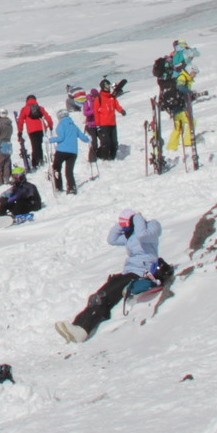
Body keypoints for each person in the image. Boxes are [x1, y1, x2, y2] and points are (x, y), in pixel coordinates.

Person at [54, 211, 168, 342]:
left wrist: (136, 217)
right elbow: (111, 239)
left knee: (105, 297)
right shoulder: (131, 235)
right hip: (128, 272)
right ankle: (77, 325)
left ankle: (83, 329)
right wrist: (121, 224)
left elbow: (143, 235)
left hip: (141, 272)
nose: (125, 228)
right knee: (97, 297)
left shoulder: (152, 226)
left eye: (127, 224)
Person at [51, 109, 87, 195]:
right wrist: (89, 140)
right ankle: (71, 188)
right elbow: (83, 137)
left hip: (61, 151)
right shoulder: (73, 125)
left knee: (56, 168)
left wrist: (49, 140)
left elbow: (61, 138)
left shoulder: (61, 125)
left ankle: (58, 187)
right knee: (69, 171)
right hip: (73, 152)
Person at [88, 80, 125, 160]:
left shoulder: (112, 97)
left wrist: (121, 110)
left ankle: (112, 157)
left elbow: (116, 105)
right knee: (106, 143)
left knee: (114, 143)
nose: (108, 88)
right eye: (107, 86)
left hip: (112, 124)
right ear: (103, 87)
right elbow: (96, 112)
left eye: (109, 86)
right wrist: (98, 125)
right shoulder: (99, 98)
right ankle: (102, 157)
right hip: (103, 125)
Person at [16, 95, 53, 167]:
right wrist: (50, 126)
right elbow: (48, 117)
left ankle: (35, 163)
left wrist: (20, 131)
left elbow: (20, 121)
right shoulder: (40, 108)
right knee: (39, 145)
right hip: (41, 129)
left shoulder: (24, 109)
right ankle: (40, 160)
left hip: (31, 130)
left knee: (34, 146)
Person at [161, 83, 195, 157]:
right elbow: (189, 94)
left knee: (177, 129)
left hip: (174, 112)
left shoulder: (166, 91)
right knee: (192, 122)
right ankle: (188, 141)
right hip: (182, 111)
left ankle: (171, 146)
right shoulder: (179, 87)